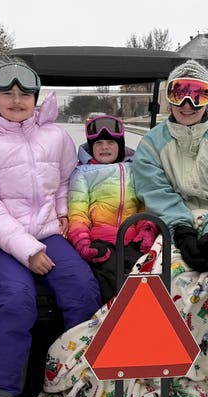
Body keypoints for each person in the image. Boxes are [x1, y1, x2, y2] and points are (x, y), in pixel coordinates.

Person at [0, 61, 100, 397]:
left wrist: (65, 213)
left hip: (50, 234)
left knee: (83, 288)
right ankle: (2, 391)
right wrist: (28, 250)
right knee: (17, 300)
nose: (16, 100)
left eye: (24, 94)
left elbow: (69, 180)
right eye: (8, 93)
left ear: (35, 98)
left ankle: (74, 377)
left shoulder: (55, 137)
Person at [133, 59, 208, 274]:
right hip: (173, 226)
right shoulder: (152, 143)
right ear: (169, 100)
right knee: (161, 272)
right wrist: (181, 229)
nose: (187, 105)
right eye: (179, 94)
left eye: (198, 96)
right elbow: (153, 189)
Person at [67, 115, 155, 302]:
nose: (104, 147)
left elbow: (143, 205)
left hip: (131, 239)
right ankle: (110, 320)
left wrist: (145, 231)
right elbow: (78, 212)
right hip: (101, 240)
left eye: (110, 143)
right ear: (91, 148)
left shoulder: (133, 169)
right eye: (98, 143)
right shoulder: (83, 173)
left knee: (142, 272)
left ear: (120, 146)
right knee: (110, 276)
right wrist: (82, 242)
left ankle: (143, 319)